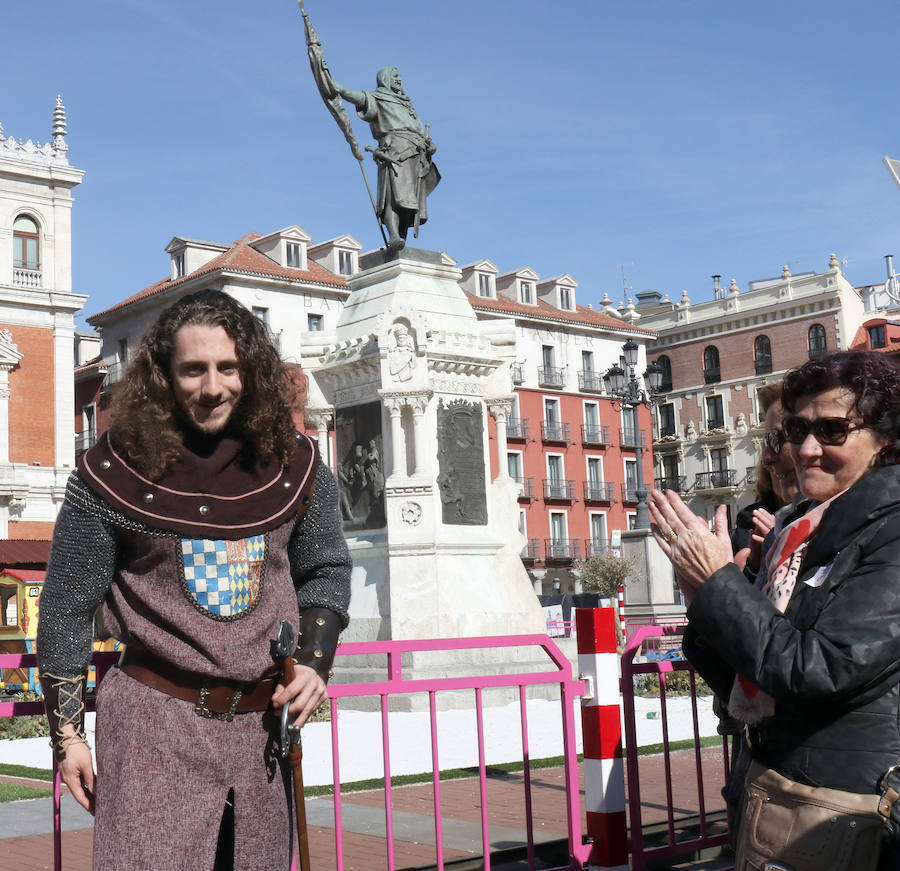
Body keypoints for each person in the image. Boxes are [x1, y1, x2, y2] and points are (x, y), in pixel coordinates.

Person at [37, 289, 352, 870]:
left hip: (262, 734)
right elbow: (64, 608)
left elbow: (326, 571)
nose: (213, 387)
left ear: (250, 370)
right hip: (153, 730)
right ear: (163, 375)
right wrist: (68, 736)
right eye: (194, 369)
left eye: (228, 367)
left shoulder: (300, 465)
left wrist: (314, 661)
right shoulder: (111, 471)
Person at [648, 350, 900, 869]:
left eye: (832, 429)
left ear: (886, 440)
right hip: (782, 793)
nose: (806, 449)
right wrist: (704, 600)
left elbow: (819, 668)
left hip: (852, 807)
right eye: (795, 428)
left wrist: (720, 585)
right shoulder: (800, 531)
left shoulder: (890, 532)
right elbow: (751, 677)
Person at [335, 66, 440, 251]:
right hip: (394, 153)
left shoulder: (407, 105)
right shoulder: (378, 98)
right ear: (385, 79)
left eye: (400, 76)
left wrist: (429, 146)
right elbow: (350, 94)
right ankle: (393, 237)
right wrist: (332, 84)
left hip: (417, 156)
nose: (399, 79)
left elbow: (420, 134)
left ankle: (401, 242)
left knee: (410, 203)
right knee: (391, 197)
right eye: (395, 76)